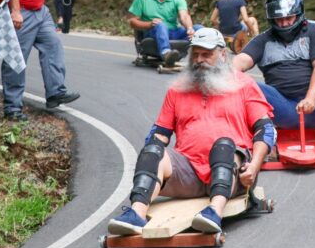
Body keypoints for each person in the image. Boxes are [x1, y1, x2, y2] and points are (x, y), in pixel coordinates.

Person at [107, 28, 276, 235]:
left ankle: (214, 211)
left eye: (206, 54)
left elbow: (265, 130)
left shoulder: (244, 85)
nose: (199, 59)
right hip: (189, 172)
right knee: (153, 150)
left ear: (222, 55)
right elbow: (160, 133)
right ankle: (136, 214)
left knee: (224, 145)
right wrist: (149, 160)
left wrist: (255, 166)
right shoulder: (178, 89)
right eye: (195, 54)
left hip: (234, 173)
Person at [233, 0, 315, 160]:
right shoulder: (263, 40)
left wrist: (310, 99)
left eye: (288, 18)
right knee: (245, 84)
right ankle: (266, 143)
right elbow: (237, 63)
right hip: (283, 108)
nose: (284, 23)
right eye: (279, 19)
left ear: (298, 14)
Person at [127, 0, 202, 66]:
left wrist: (190, 28)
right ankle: (166, 53)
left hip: (174, 32)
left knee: (199, 29)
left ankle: (205, 56)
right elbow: (132, 21)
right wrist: (149, 24)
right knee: (160, 24)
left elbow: (184, 16)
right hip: (152, 32)